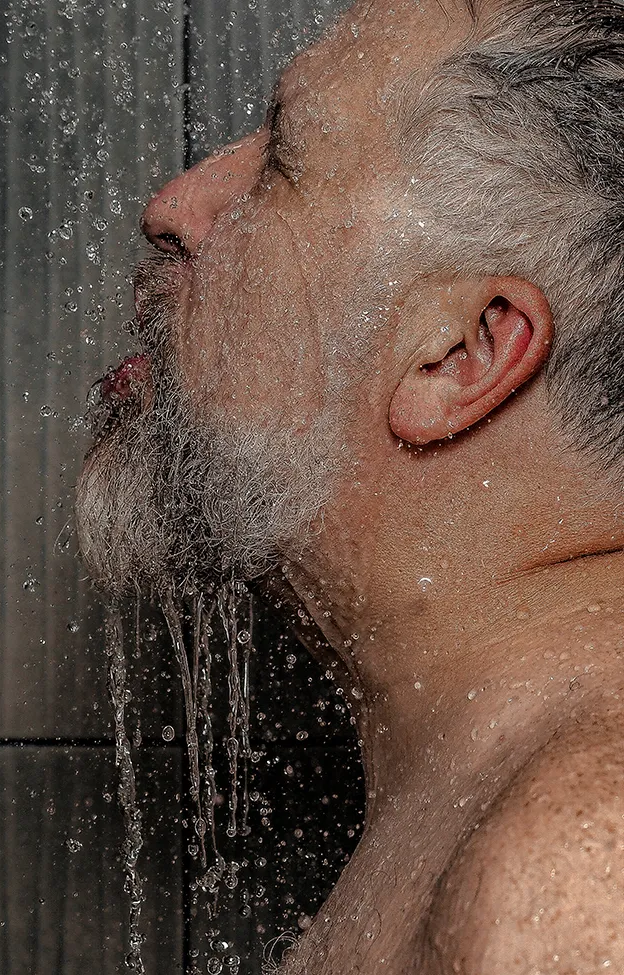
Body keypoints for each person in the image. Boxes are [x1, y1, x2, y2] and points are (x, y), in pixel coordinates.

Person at [77, 0, 624, 971]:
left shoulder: (576, 870)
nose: (173, 209)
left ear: (459, 354)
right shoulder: (499, 809)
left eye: (280, 160)